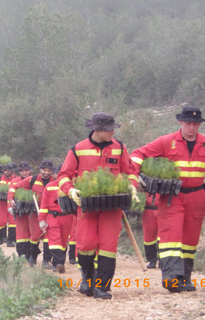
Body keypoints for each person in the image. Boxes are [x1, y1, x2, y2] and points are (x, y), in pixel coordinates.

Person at [130, 106, 205, 293]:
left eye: (195, 124)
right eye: (188, 123)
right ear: (181, 123)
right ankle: (171, 277)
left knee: (190, 241)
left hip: (197, 197)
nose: (191, 127)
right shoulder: (167, 141)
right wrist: (134, 177)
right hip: (172, 197)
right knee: (170, 236)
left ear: (199, 124)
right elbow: (138, 154)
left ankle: (185, 278)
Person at [57, 112, 139, 299]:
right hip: (87, 205)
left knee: (108, 246)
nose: (113, 132)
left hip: (112, 206)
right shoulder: (78, 149)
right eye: (109, 129)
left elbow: (131, 171)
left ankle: (102, 287)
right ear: (97, 130)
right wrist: (70, 190)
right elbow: (63, 175)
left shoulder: (119, 148)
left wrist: (132, 187)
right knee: (85, 244)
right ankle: (87, 278)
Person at [9, 159, 55, 268]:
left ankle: (46, 260)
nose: (46, 172)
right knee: (35, 236)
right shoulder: (32, 179)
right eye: (44, 170)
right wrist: (11, 199)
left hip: (50, 213)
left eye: (49, 170)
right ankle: (33, 258)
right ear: (40, 169)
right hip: (35, 213)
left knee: (48, 236)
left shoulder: (55, 181)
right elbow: (14, 187)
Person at [38, 164, 74, 274]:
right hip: (52, 217)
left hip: (67, 218)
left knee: (63, 242)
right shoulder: (49, 186)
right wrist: (42, 220)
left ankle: (57, 264)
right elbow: (44, 205)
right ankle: (59, 262)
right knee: (54, 240)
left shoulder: (73, 187)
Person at [7, 161, 33, 251]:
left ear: (30, 170)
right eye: (22, 171)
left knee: (32, 232)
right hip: (20, 211)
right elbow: (10, 194)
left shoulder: (34, 180)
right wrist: (10, 206)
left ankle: (31, 252)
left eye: (26, 170)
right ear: (19, 172)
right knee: (21, 232)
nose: (24, 172)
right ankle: (22, 253)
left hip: (32, 212)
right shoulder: (14, 182)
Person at [0, 163, 16, 245]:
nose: (7, 172)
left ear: (12, 171)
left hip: (12, 203)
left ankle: (10, 240)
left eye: (9, 170)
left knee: (13, 222)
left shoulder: (16, 179)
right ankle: (1, 236)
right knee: (1, 221)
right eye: (5, 170)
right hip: (1, 203)